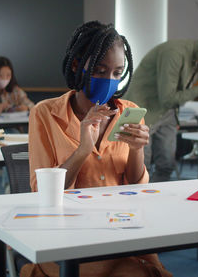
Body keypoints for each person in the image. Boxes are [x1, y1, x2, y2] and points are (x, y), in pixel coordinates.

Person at [24, 21, 172, 277]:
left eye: (117, 72)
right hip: (66, 235)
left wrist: (137, 149)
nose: (109, 80)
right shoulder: (45, 114)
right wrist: (83, 149)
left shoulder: (129, 111)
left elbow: (135, 187)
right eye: (100, 70)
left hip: (121, 228)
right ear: (76, 65)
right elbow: (43, 192)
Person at [124, 25, 198, 182]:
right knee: (141, 167)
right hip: (143, 110)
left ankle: (154, 203)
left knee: (167, 166)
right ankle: (136, 204)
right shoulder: (175, 52)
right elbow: (168, 97)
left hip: (167, 112)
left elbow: (181, 88)